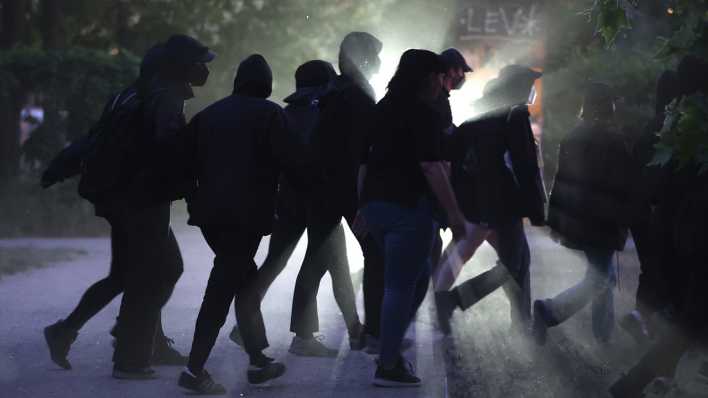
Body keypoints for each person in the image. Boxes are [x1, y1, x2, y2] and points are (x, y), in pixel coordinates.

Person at [42, 37, 210, 376]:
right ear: (178, 66)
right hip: (145, 198)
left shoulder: (127, 94)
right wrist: (194, 183)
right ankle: (131, 359)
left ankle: (68, 331)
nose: (203, 69)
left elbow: (94, 140)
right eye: (197, 62)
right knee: (154, 273)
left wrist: (60, 166)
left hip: (119, 198)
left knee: (129, 273)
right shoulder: (166, 98)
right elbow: (169, 147)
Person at [228, 60, 362, 357]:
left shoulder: (286, 114)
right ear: (326, 84)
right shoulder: (326, 113)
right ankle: (330, 335)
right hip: (321, 200)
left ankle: (245, 324)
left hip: (287, 200)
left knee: (275, 262)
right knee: (331, 265)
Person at [178, 54, 293, 394]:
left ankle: (258, 360)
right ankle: (194, 370)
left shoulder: (208, 115)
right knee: (223, 288)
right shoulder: (271, 114)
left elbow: (182, 167)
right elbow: (291, 161)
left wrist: (194, 201)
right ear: (266, 84)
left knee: (242, 279)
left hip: (211, 217)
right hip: (248, 215)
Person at [359, 49, 466, 387]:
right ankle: (388, 365)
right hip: (408, 208)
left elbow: (363, 162)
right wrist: (455, 214)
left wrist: (361, 205)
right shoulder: (423, 114)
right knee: (401, 285)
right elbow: (432, 166)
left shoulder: (380, 110)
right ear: (424, 78)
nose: (441, 83)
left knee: (416, 277)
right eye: (437, 76)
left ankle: (388, 348)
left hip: (376, 206)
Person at [286, 32, 382, 355]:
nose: (379, 63)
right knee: (373, 254)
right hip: (344, 191)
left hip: (323, 189)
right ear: (364, 58)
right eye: (374, 56)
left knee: (325, 258)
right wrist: (360, 203)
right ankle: (374, 333)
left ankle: (355, 331)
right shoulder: (356, 95)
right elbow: (358, 154)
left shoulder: (335, 91)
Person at [434, 65, 546, 336]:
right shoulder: (514, 113)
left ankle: (521, 321)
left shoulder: (479, 113)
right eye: (528, 84)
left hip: (481, 200)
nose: (531, 90)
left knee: (519, 260)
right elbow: (524, 164)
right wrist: (537, 208)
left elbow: (457, 156)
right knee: (512, 264)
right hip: (504, 201)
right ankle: (454, 300)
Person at [532, 82, 636, 345]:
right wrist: (627, 218)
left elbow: (561, 179)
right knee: (601, 278)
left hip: (580, 218)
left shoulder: (573, 136)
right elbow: (624, 185)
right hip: (603, 221)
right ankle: (550, 311)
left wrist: (555, 219)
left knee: (601, 275)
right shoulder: (614, 141)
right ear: (608, 107)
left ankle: (603, 335)